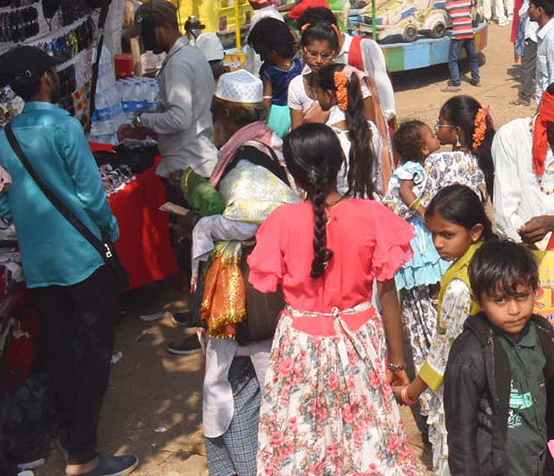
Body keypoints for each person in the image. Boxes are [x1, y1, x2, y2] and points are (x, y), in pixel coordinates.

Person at [0, 46, 137, 476]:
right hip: (82, 259)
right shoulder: (65, 127)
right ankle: (83, 455)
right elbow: (92, 195)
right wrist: (109, 234)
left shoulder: (2, 137)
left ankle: (72, 438)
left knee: (59, 354)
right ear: (49, 79)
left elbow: (2, 201)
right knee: (93, 353)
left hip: (40, 265)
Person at [248, 124, 418, 476]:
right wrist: (397, 363)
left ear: (293, 174)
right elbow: (388, 295)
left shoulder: (280, 221)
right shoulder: (373, 216)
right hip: (359, 341)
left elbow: (263, 285)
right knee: (368, 439)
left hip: (300, 346)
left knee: (300, 441)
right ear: (340, 161)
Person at [189, 70, 298, 476]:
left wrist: (204, 226)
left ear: (228, 117)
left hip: (243, 299)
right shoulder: (264, 146)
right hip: (261, 291)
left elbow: (253, 219)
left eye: (217, 115)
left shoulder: (250, 160)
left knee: (235, 393)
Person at [395, 185, 494, 475]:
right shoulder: (487, 259)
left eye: (447, 235)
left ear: (474, 231)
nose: (437, 243)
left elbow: (444, 350)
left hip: (462, 388)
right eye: (433, 234)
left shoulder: (460, 287)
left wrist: (411, 392)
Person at [445, 242, 554, 476]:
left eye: (521, 296)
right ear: (478, 300)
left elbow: (553, 407)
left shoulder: (542, 337)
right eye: (500, 300)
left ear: (534, 290)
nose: (514, 309)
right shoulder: (470, 355)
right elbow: (461, 437)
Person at [121, 0, 218, 180]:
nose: (143, 41)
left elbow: (179, 119)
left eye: (145, 34)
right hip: (198, 161)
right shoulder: (191, 54)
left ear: (163, 27)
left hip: (186, 167)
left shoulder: (178, 63)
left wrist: (141, 120)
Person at [492, 77, 554, 245]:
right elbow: (505, 212)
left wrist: (553, 223)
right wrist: (528, 240)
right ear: (548, 115)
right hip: (518, 249)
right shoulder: (511, 136)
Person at [385, 120, 447, 395]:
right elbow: (405, 192)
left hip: (414, 236)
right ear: (423, 148)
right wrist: (423, 212)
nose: (436, 137)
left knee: (421, 298)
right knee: (427, 290)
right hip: (417, 239)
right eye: (432, 136)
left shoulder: (416, 167)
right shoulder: (411, 169)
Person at [295, 6, 398, 126]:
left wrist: (377, 131)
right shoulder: (313, 63)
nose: (318, 59)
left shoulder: (365, 47)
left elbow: (384, 96)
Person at [311, 63, 385, 196]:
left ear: (328, 94)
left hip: (340, 208)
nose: (316, 98)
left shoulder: (327, 136)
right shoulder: (371, 128)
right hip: (370, 203)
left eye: (317, 92)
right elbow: (378, 180)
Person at [429, 94, 494, 201]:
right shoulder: (483, 157)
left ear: (457, 131)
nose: (436, 130)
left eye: (440, 123)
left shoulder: (441, 162)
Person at [248, 17, 301, 137]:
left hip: (276, 116)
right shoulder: (299, 64)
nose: (262, 59)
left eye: (262, 53)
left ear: (273, 51)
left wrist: (264, 118)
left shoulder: (268, 71)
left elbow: (266, 99)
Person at [445, 0, 480, 91]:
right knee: (473, 58)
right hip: (469, 33)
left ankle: (456, 83)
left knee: (453, 60)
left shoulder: (448, 5)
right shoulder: (467, 1)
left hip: (457, 35)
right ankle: (475, 79)